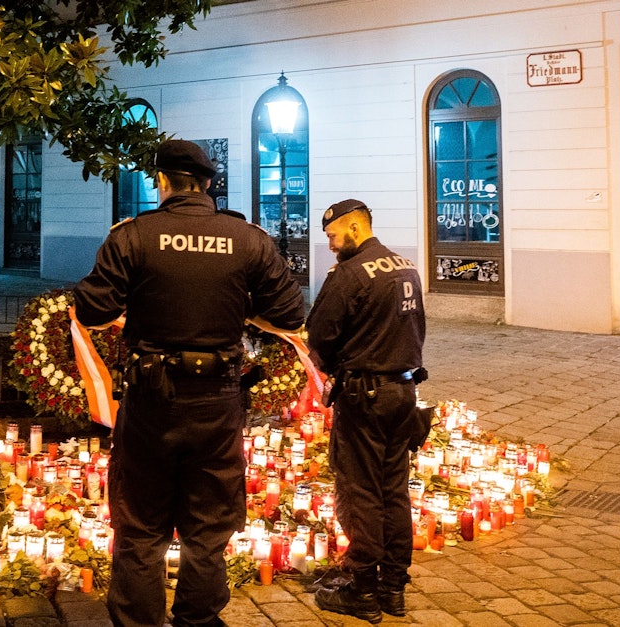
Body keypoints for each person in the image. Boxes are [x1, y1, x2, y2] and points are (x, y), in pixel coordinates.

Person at [73, 139, 306, 627]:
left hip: (151, 400)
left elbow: (92, 311)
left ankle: (139, 621)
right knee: (208, 523)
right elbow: (289, 313)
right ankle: (198, 620)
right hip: (217, 401)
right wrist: (233, 304)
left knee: (140, 523)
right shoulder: (248, 239)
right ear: (207, 183)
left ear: (160, 181)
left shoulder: (133, 235)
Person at [305, 199, 429, 623]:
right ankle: (393, 587)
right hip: (403, 392)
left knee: (360, 491)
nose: (331, 243)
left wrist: (336, 364)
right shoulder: (405, 266)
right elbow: (419, 329)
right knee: (393, 491)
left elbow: (319, 335)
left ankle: (361, 587)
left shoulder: (349, 274)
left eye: (333, 234)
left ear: (356, 227)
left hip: (364, 397)